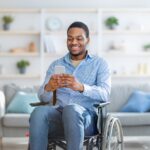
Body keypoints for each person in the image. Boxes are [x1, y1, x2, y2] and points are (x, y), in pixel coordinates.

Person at [29, 21, 111, 150]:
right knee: (38, 112)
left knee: (71, 109)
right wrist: (49, 87)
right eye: (70, 38)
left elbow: (105, 94)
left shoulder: (100, 64)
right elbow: (43, 98)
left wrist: (81, 87)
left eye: (79, 38)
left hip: (86, 120)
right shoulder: (55, 64)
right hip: (58, 118)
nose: (74, 42)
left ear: (87, 40)